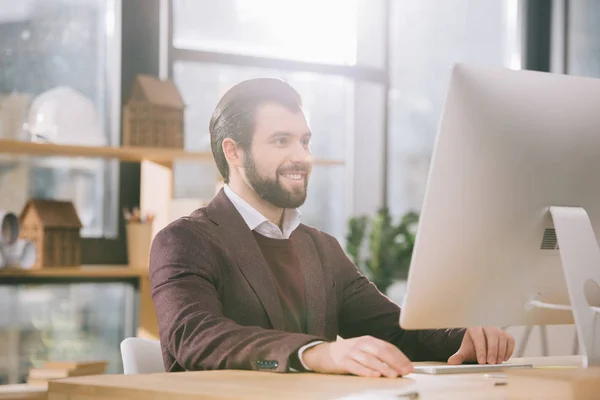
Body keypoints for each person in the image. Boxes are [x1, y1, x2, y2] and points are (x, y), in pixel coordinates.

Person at [149, 78, 515, 378]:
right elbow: (196, 339)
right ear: (234, 152)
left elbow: (392, 329)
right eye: (281, 140)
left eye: (305, 141)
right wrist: (313, 354)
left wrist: (462, 338)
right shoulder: (184, 241)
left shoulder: (321, 248)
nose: (301, 156)